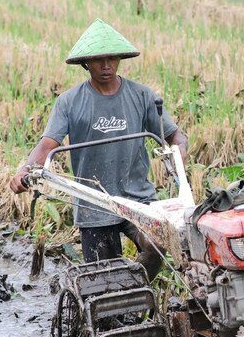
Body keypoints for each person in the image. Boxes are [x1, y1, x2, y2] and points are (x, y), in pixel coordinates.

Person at [10, 19, 188, 280]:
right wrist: (25, 170)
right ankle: (120, 293)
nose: (106, 66)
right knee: (106, 278)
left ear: (119, 59)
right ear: (86, 63)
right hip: (94, 202)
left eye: (112, 58)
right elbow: (47, 145)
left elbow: (176, 136)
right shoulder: (69, 102)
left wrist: (178, 155)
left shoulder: (142, 96)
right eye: (98, 60)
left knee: (157, 243)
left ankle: (135, 286)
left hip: (138, 198)